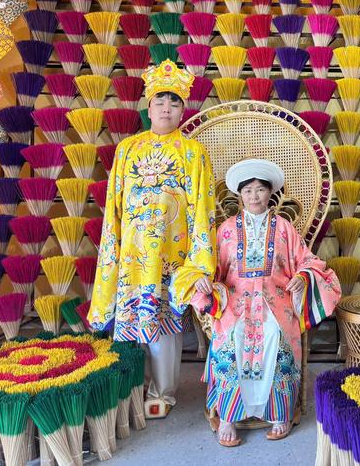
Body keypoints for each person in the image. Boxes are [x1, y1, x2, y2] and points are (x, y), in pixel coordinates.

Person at [88, 59, 217, 419]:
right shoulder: (127, 149)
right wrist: (112, 247)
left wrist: (199, 262)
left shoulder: (193, 153)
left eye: (174, 102)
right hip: (131, 251)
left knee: (163, 324)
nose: (166, 108)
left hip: (171, 254)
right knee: (130, 322)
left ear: (182, 110)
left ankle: (163, 391)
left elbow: (203, 208)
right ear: (148, 106)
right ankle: (133, 388)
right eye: (160, 101)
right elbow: (114, 205)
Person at [193, 159, 341, 447]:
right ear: (240, 194)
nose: (254, 196)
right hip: (235, 301)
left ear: (270, 193)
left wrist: (303, 277)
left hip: (276, 300)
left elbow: (308, 260)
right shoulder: (226, 229)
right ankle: (228, 415)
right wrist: (204, 280)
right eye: (248, 191)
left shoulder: (284, 228)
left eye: (260, 190)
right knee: (232, 338)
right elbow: (210, 266)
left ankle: (279, 413)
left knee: (276, 336)